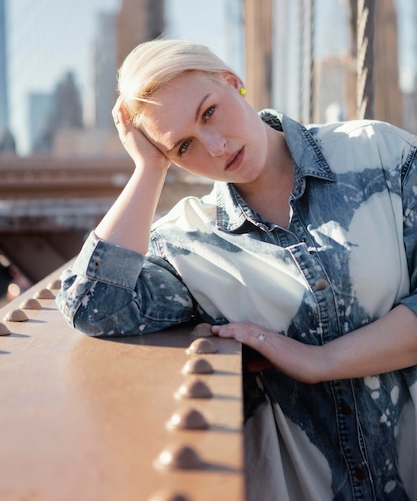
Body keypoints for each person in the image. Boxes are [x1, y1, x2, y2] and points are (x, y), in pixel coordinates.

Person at [56, 38, 417, 501]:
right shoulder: (188, 242)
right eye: (183, 146)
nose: (215, 147)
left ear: (233, 81)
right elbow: (94, 305)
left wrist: (320, 361)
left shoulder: (381, 155)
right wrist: (147, 170)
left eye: (209, 111)